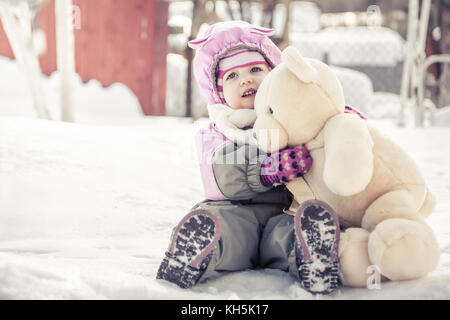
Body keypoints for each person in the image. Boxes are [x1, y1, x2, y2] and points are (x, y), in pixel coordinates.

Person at [156, 21, 340, 294]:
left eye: (256, 69)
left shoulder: (292, 117)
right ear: (218, 91)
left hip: (285, 211)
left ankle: (311, 256)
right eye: (232, 76)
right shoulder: (218, 131)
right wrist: (265, 169)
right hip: (236, 211)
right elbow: (220, 175)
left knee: (288, 234)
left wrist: (338, 126)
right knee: (223, 232)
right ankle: (193, 252)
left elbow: (322, 126)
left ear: (274, 75)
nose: (246, 79)